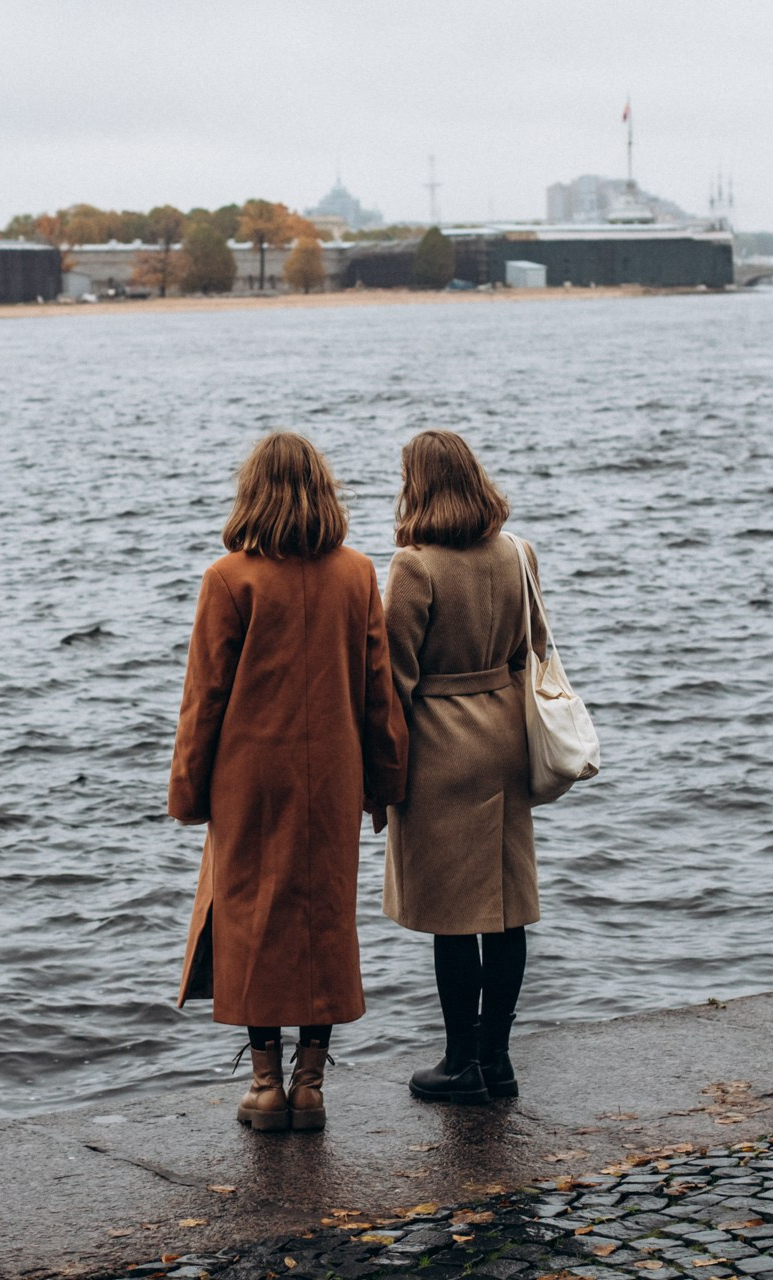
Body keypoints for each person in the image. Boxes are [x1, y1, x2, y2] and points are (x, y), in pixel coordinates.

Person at [168, 431, 407, 1132]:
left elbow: (204, 698)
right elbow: (377, 691)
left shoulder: (228, 578)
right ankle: (311, 1082)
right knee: (324, 915)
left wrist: (187, 789)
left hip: (249, 778)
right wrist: (386, 781)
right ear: (324, 493)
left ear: (252, 493)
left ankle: (265, 1084)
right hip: (333, 775)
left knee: (251, 916)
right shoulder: (357, 573)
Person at [381, 429, 546, 1104]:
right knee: (506, 909)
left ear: (417, 484)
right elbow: (533, 650)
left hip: (440, 747)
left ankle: (458, 1061)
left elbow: (392, 677)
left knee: (452, 917)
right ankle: (497, 1060)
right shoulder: (518, 553)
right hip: (506, 739)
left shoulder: (413, 566)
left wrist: (377, 773)